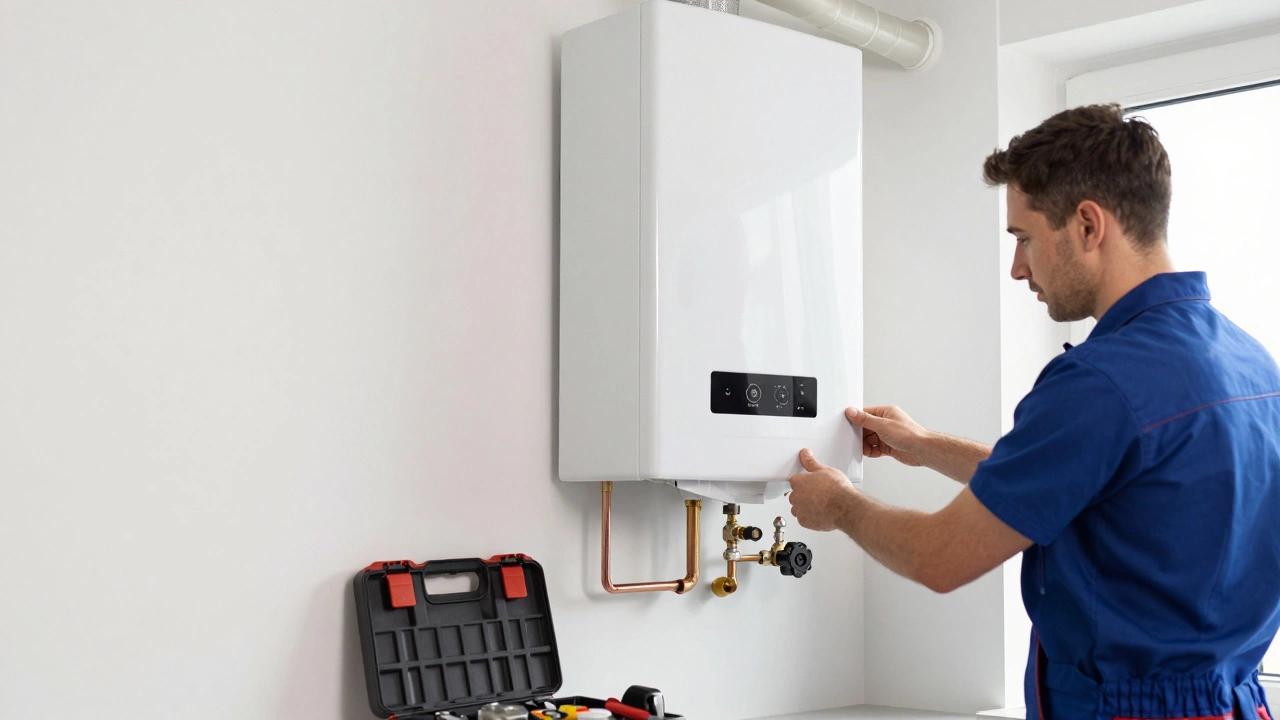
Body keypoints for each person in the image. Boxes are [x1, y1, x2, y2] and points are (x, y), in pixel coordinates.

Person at [786, 104, 1280, 720]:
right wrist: (924, 445)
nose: (1018, 268)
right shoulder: (1250, 362)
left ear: (1088, 225)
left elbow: (940, 557)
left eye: (1023, 237)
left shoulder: (1100, 383)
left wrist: (839, 505)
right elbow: (1098, 483)